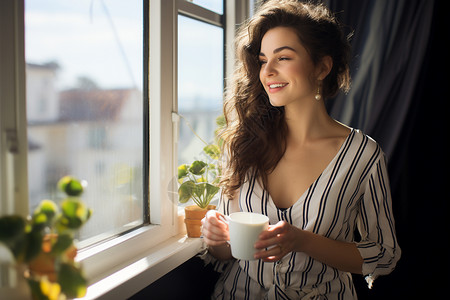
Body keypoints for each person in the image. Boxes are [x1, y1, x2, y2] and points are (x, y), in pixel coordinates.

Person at [201, 0, 401, 299]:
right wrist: (216, 239)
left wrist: (302, 241)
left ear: (322, 67)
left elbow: (384, 255)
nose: (267, 71)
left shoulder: (363, 155)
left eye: (283, 58)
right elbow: (226, 253)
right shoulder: (242, 143)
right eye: (263, 59)